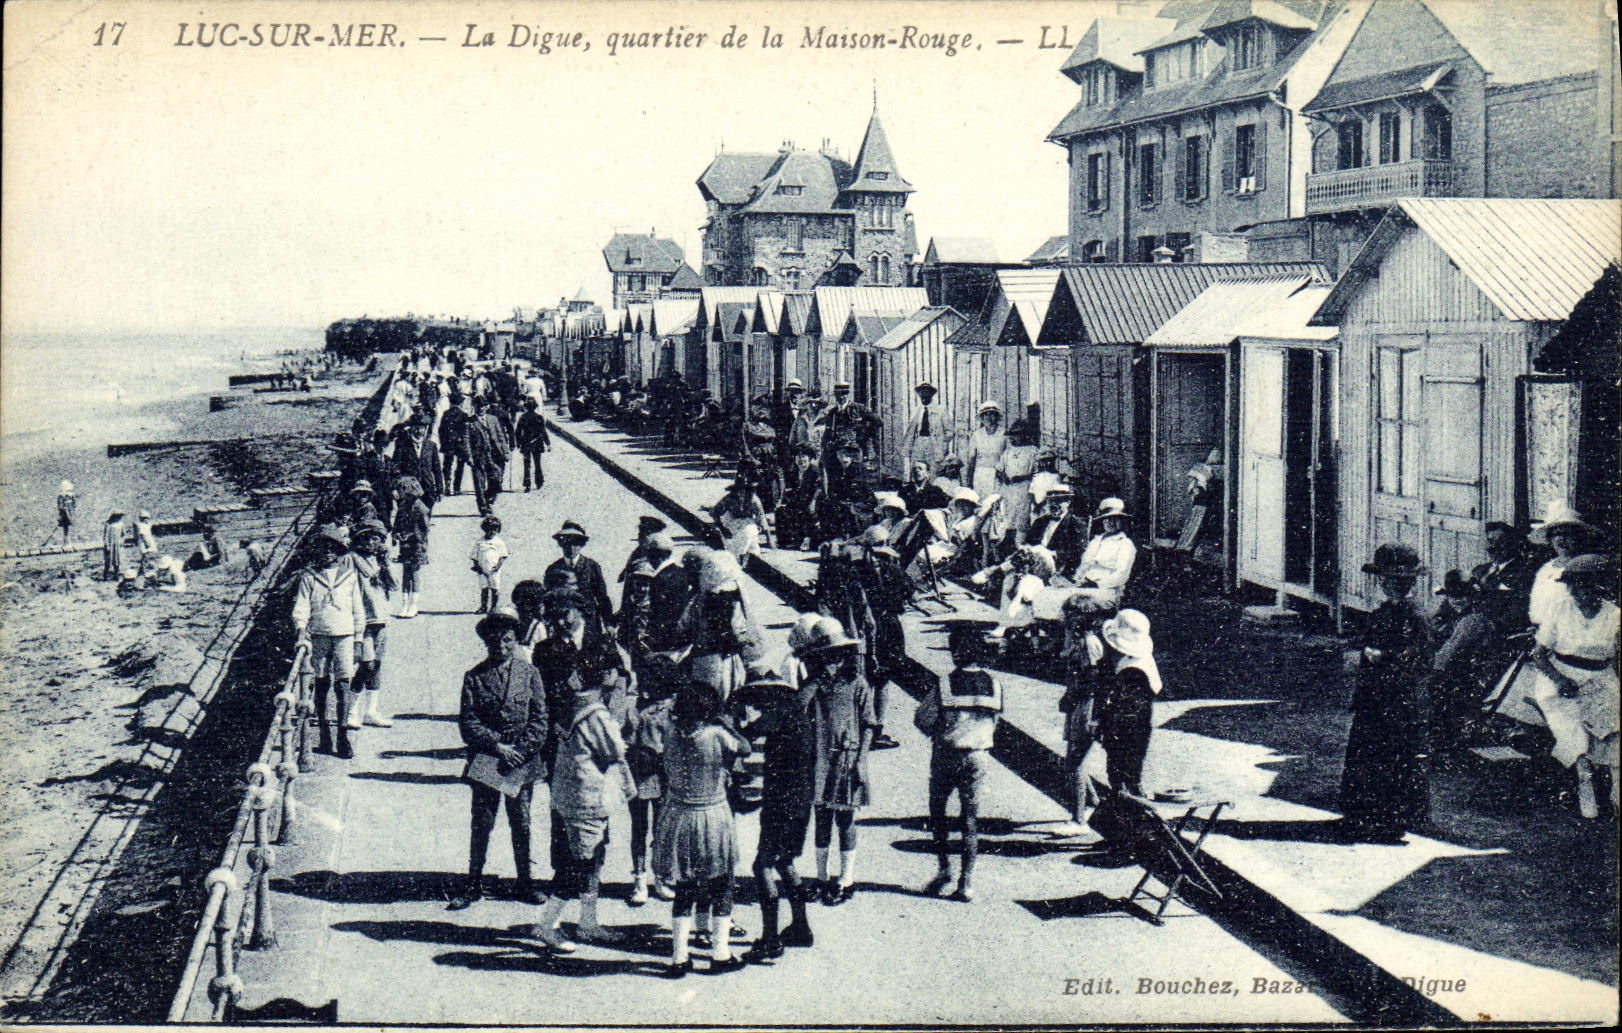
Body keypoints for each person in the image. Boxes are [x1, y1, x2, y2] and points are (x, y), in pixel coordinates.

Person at [532, 658, 637, 950]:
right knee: (582, 862)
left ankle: (587, 923)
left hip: (569, 792)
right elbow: (614, 749)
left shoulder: (572, 702)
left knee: (590, 858)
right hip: (587, 796)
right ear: (605, 675)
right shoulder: (596, 713)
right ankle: (544, 925)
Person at [450, 608, 549, 910]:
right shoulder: (475, 677)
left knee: (522, 822)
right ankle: (473, 883)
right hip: (487, 762)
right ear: (486, 643)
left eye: (508, 641)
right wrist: (498, 747)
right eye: (495, 642)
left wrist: (522, 750)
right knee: (482, 822)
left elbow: (540, 718)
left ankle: (525, 882)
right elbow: (469, 723)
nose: (502, 647)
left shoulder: (530, 674)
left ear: (517, 641)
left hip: (521, 762)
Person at [653, 680, 753, 976]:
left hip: (680, 813)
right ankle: (720, 953)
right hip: (712, 815)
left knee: (684, 886)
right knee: (721, 884)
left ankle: (679, 957)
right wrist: (728, 725)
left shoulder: (670, 733)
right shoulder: (717, 735)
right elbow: (744, 748)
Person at [1336, 544, 1431, 844]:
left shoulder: (1415, 616)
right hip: (1374, 695)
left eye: (1400, 581)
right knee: (1368, 750)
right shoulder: (1382, 613)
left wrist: (1380, 657)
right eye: (1387, 580)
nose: (1391, 586)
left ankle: (1389, 817)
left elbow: (1419, 659)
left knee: (1393, 754)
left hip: (1397, 697)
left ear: (1411, 583)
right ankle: (1364, 812)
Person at [734, 666, 818, 962]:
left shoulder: (777, 715)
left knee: (762, 865)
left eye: (758, 697)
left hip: (780, 801)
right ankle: (800, 925)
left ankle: (770, 938)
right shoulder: (797, 713)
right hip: (801, 801)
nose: (755, 704)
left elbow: (742, 739)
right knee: (786, 861)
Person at [1526, 554, 1619, 819]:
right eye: (1574, 585)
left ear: (1601, 587)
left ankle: (1615, 795)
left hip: (1602, 679)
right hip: (1559, 679)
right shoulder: (1560, 610)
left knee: (1612, 734)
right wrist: (1560, 680)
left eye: (1587, 585)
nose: (1580, 592)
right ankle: (1584, 783)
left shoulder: (1614, 615)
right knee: (1575, 733)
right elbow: (1539, 655)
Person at [916, 624, 1004, 902]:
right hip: (979, 755)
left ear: (955, 654)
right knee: (970, 820)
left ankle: (944, 870)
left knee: (938, 814)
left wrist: (940, 733)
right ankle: (966, 883)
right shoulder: (995, 685)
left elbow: (923, 719)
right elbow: (995, 721)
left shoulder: (944, 684)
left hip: (947, 752)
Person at [804, 617, 878, 906]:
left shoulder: (856, 683)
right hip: (819, 757)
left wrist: (862, 759)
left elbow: (869, 723)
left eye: (838, 654)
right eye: (826, 655)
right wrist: (809, 687)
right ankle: (821, 877)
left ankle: (846, 878)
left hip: (847, 756)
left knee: (845, 819)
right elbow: (799, 712)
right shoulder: (812, 684)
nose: (832, 660)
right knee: (821, 818)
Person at [292, 527, 367, 759]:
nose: (326, 553)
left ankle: (343, 735)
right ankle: (324, 732)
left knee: (343, 684)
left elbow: (358, 610)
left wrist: (358, 640)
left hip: (344, 635)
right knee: (321, 683)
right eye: (321, 548)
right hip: (319, 636)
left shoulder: (349, 577)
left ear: (338, 551)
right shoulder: (309, 577)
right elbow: (302, 606)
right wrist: (301, 629)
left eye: (330, 549)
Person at [1428, 571, 1494, 752]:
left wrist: (1431, 669)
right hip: (1454, 668)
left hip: (1470, 672)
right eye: (1453, 595)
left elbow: (1452, 650)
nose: (1458, 600)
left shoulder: (1473, 619)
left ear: (1472, 596)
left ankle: (1445, 737)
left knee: (1436, 687)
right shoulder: (1447, 614)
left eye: (1463, 596)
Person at [347, 518, 396, 730]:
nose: (371, 542)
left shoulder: (379, 560)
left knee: (376, 665)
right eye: (366, 538)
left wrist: (386, 564)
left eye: (375, 539)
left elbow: (392, 586)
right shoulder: (351, 559)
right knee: (366, 664)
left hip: (380, 617)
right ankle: (352, 711)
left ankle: (371, 711)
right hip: (362, 619)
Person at [1528, 502, 1595, 629]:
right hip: (1544, 634)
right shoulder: (1546, 569)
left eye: (1567, 534)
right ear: (1550, 540)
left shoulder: (1585, 566)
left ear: (1578, 537)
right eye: (1556, 534)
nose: (1561, 540)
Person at [1067, 498, 1137, 616]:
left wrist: (1097, 584)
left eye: (1115, 519)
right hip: (1085, 586)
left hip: (1107, 589)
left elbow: (1122, 574)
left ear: (1122, 521)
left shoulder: (1125, 543)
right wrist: (1078, 579)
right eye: (1107, 519)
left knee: (1075, 603)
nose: (1110, 522)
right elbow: (1084, 565)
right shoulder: (1096, 541)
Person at [546, 521, 615, 637]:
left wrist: (609, 623)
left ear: (582, 544)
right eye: (567, 543)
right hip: (563, 623)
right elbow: (549, 599)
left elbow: (602, 597)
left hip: (589, 622)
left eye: (576, 543)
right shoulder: (553, 569)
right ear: (561, 544)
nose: (571, 548)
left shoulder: (592, 566)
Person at [1471, 522, 1538, 636]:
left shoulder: (1523, 573)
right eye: (1491, 541)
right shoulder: (1480, 570)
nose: (1493, 547)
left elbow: (1518, 611)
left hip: (1493, 631)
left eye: (1501, 542)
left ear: (1513, 544)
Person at [996, 419, 1040, 548]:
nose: (1017, 437)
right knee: (1008, 515)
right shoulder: (1008, 451)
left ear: (1026, 435)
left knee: (1022, 517)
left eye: (1020, 434)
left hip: (1024, 488)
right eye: (1015, 435)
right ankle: (1006, 543)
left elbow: (1036, 472)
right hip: (1009, 489)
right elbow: (999, 469)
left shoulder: (1032, 451)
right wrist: (1003, 476)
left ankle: (1020, 544)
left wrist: (1022, 477)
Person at [392, 477, 431, 619]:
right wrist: (396, 533)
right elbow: (397, 522)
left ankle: (413, 604)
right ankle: (404, 603)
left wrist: (412, 536)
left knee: (413, 573)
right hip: (405, 545)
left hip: (416, 545)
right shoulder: (402, 506)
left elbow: (425, 529)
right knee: (405, 573)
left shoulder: (420, 508)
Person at [712, 474, 774, 561]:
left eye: (744, 489)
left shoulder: (754, 500)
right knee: (732, 543)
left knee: (749, 534)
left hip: (747, 521)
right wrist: (722, 528)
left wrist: (769, 539)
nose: (741, 492)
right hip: (731, 520)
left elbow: (762, 518)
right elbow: (714, 512)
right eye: (738, 489)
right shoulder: (729, 499)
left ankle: (745, 556)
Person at [775, 444, 820, 551]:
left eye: (803, 456)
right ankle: (786, 541)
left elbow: (819, 488)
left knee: (807, 511)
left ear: (809, 457)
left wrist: (813, 501)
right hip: (798, 500)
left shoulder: (814, 470)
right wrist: (782, 500)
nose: (801, 460)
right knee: (780, 510)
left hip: (814, 500)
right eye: (798, 457)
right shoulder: (794, 471)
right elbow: (789, 489)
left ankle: (807, 539)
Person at [904, 382, 952, 480]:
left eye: (926, 392)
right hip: (918, 444)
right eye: (921, 392)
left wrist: (942, 447)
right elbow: (910, 432)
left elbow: (950, 431)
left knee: (933, 473)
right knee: (917, 471)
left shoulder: (940, 411)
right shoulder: (916, 411)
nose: (923, 395)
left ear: (931, 394)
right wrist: (909, 449)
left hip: (934, 444)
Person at [965, 402, 1007, 504]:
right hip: (980, 474)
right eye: (986, 414)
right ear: (982, 417)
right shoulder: (977, 435)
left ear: (996, 416)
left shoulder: (1004, 434)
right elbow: (971, 459)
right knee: (980, 503)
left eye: (992, 413)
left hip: (997, 474)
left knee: (995, 502)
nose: (989, 417)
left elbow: (1007, 455)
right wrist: (969, 479)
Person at [470, 515, 509, 615]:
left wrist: (497, 567)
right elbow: (474, 555)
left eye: (494, 530)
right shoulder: (479, 542)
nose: (491, 532)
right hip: (482, 570)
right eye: (488, 529)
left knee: (495, 589)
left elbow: (503, 556)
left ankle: (494, 607)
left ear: (498, 530)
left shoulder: (499, 542)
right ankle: (483, 606)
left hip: (493, 570)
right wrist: (477, 566)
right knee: (484, 589)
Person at [514, 396, 552, 492]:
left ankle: (527, 484)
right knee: (537, 463)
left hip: (526, 443)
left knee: (527, 464)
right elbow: (543, 432)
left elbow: (518, 432)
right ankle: (539, 482)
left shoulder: (523, 417)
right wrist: (548, 443)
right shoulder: (539, 417)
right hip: (537, 442)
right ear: (535, 407)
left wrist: (518, 443)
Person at [56, 481, 76, 546]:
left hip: (68, 514)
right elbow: (60, 506)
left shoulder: (69, 496)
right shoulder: (61, 496)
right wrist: (63, 508)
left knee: (67, 529)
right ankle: (66, 543)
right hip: (64, 515)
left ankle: (67, 542)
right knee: (65, 529)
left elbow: (73, 504)